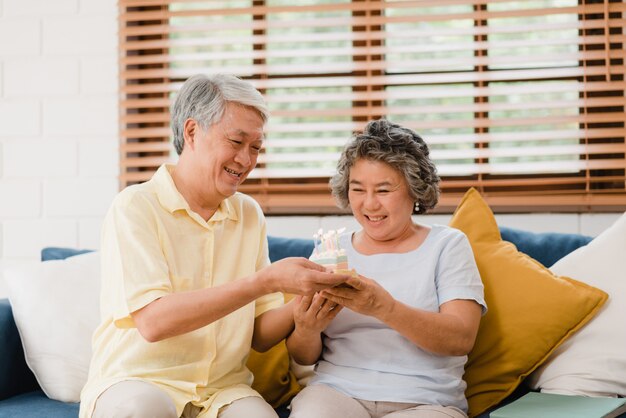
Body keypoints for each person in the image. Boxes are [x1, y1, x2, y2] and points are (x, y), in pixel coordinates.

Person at [78, 74, 351, 418]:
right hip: (139, 381)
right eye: (236, 142)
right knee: (141, 409)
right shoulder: (136, 207)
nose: (246, 160)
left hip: (223, 390)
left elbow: (261, 335)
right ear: (191, 132)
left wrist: (303, 301)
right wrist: (266, 281)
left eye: (255, 148)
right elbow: (154, 322)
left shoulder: (248, 214)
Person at [286, 119, 487, 418]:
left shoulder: (447, 245)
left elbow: (460, 339)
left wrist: (385, 308)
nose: (369, 204)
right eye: (358, 189)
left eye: (383, 190)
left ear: (414, 189)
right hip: (337, 392)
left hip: (426, 401)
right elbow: (304, 355)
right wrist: (306, 329)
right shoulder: (331, 249)